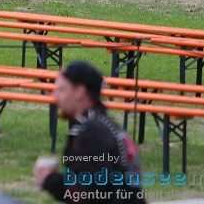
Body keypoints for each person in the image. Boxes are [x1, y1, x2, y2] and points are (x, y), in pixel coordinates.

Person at [33, 61, 145, 202]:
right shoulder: (104, 124)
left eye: (61, 90)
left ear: (80, 92)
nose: (55, 95)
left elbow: (85, 192)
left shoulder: (92, 132)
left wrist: (49, 179)